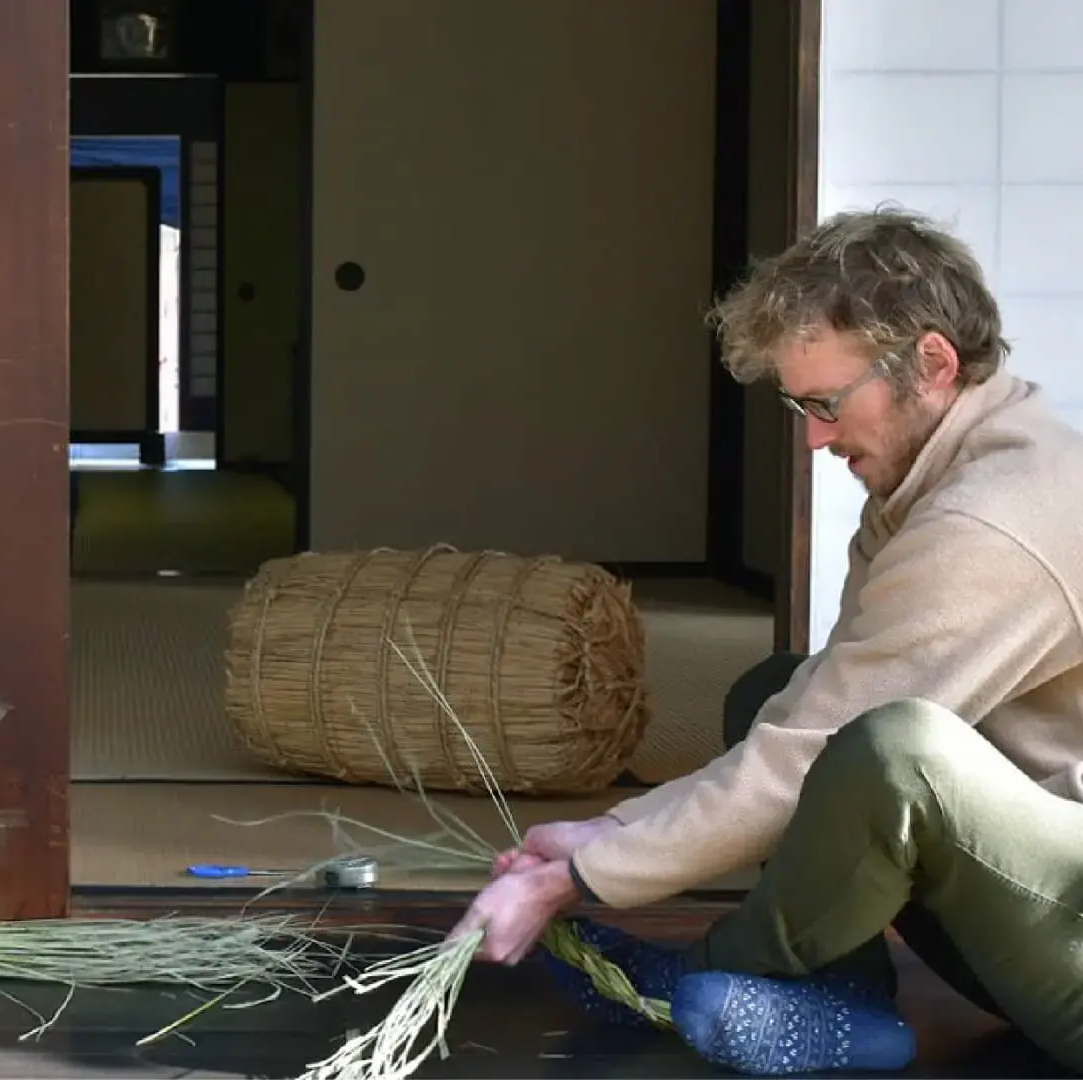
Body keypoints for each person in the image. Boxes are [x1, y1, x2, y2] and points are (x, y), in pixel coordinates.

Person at [446, 208, 1083, 1076]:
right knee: (776, 690)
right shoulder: (930, 483)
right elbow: (813, 716)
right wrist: (611, 827)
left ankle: (710, 972)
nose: (814, 437)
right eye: (799, 405)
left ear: (932, 364)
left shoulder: (989, 522)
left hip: (1071, 946)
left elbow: (825, 753)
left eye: (826, 404)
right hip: (1027, 908)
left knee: (899, 751)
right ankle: (843, 1004)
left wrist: (578, 880)